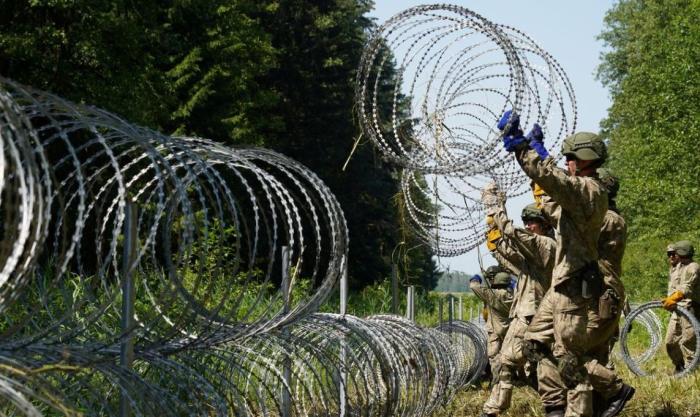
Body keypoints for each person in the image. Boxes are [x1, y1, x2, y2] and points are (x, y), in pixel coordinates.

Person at [498, 112, 634, 417]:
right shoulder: (580, 194)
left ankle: (610, 390)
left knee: (570, 357)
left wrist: (525, 151)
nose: (567, 162)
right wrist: (541, 156)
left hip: (576, 288)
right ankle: (556, 405)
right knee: (534, 343)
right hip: (563, 286)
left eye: (570, 157)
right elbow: (551, 199)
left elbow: (555, 182)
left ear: (584, 159)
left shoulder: (588, 191)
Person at [479, 196, 555, 417]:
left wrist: (495, 209)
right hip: (531, 314)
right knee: (540, 367)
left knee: (506, 361)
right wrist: (496, 243)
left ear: (545, 224)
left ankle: (494, 408)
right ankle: (559, 404)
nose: (529, 226)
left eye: (533, 222)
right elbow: (514, 259)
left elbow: (515, 235)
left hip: (531, 316)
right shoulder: (536, 250)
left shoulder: (546, 245)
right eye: (527, 222)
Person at [470, 270, 514, 385]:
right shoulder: (514, 295)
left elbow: (474, 286)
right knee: (509, 356)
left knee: (494, 356)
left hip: (495, 330)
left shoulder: (493, 294)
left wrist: (476, 278)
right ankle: (511, 378)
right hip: (510, 330)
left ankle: (497, 381)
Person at [663, 240, 700, 371]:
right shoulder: (678, 267)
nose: (672, 256)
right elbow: (674, 287)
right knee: (670, 341)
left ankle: (692, 370)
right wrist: (667, 300)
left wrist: (673, 298)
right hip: (677, 310)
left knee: (689, 342)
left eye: (675, 253)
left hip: (690, 310)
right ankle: (680, 367)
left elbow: (686, 288)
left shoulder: (693, 267)